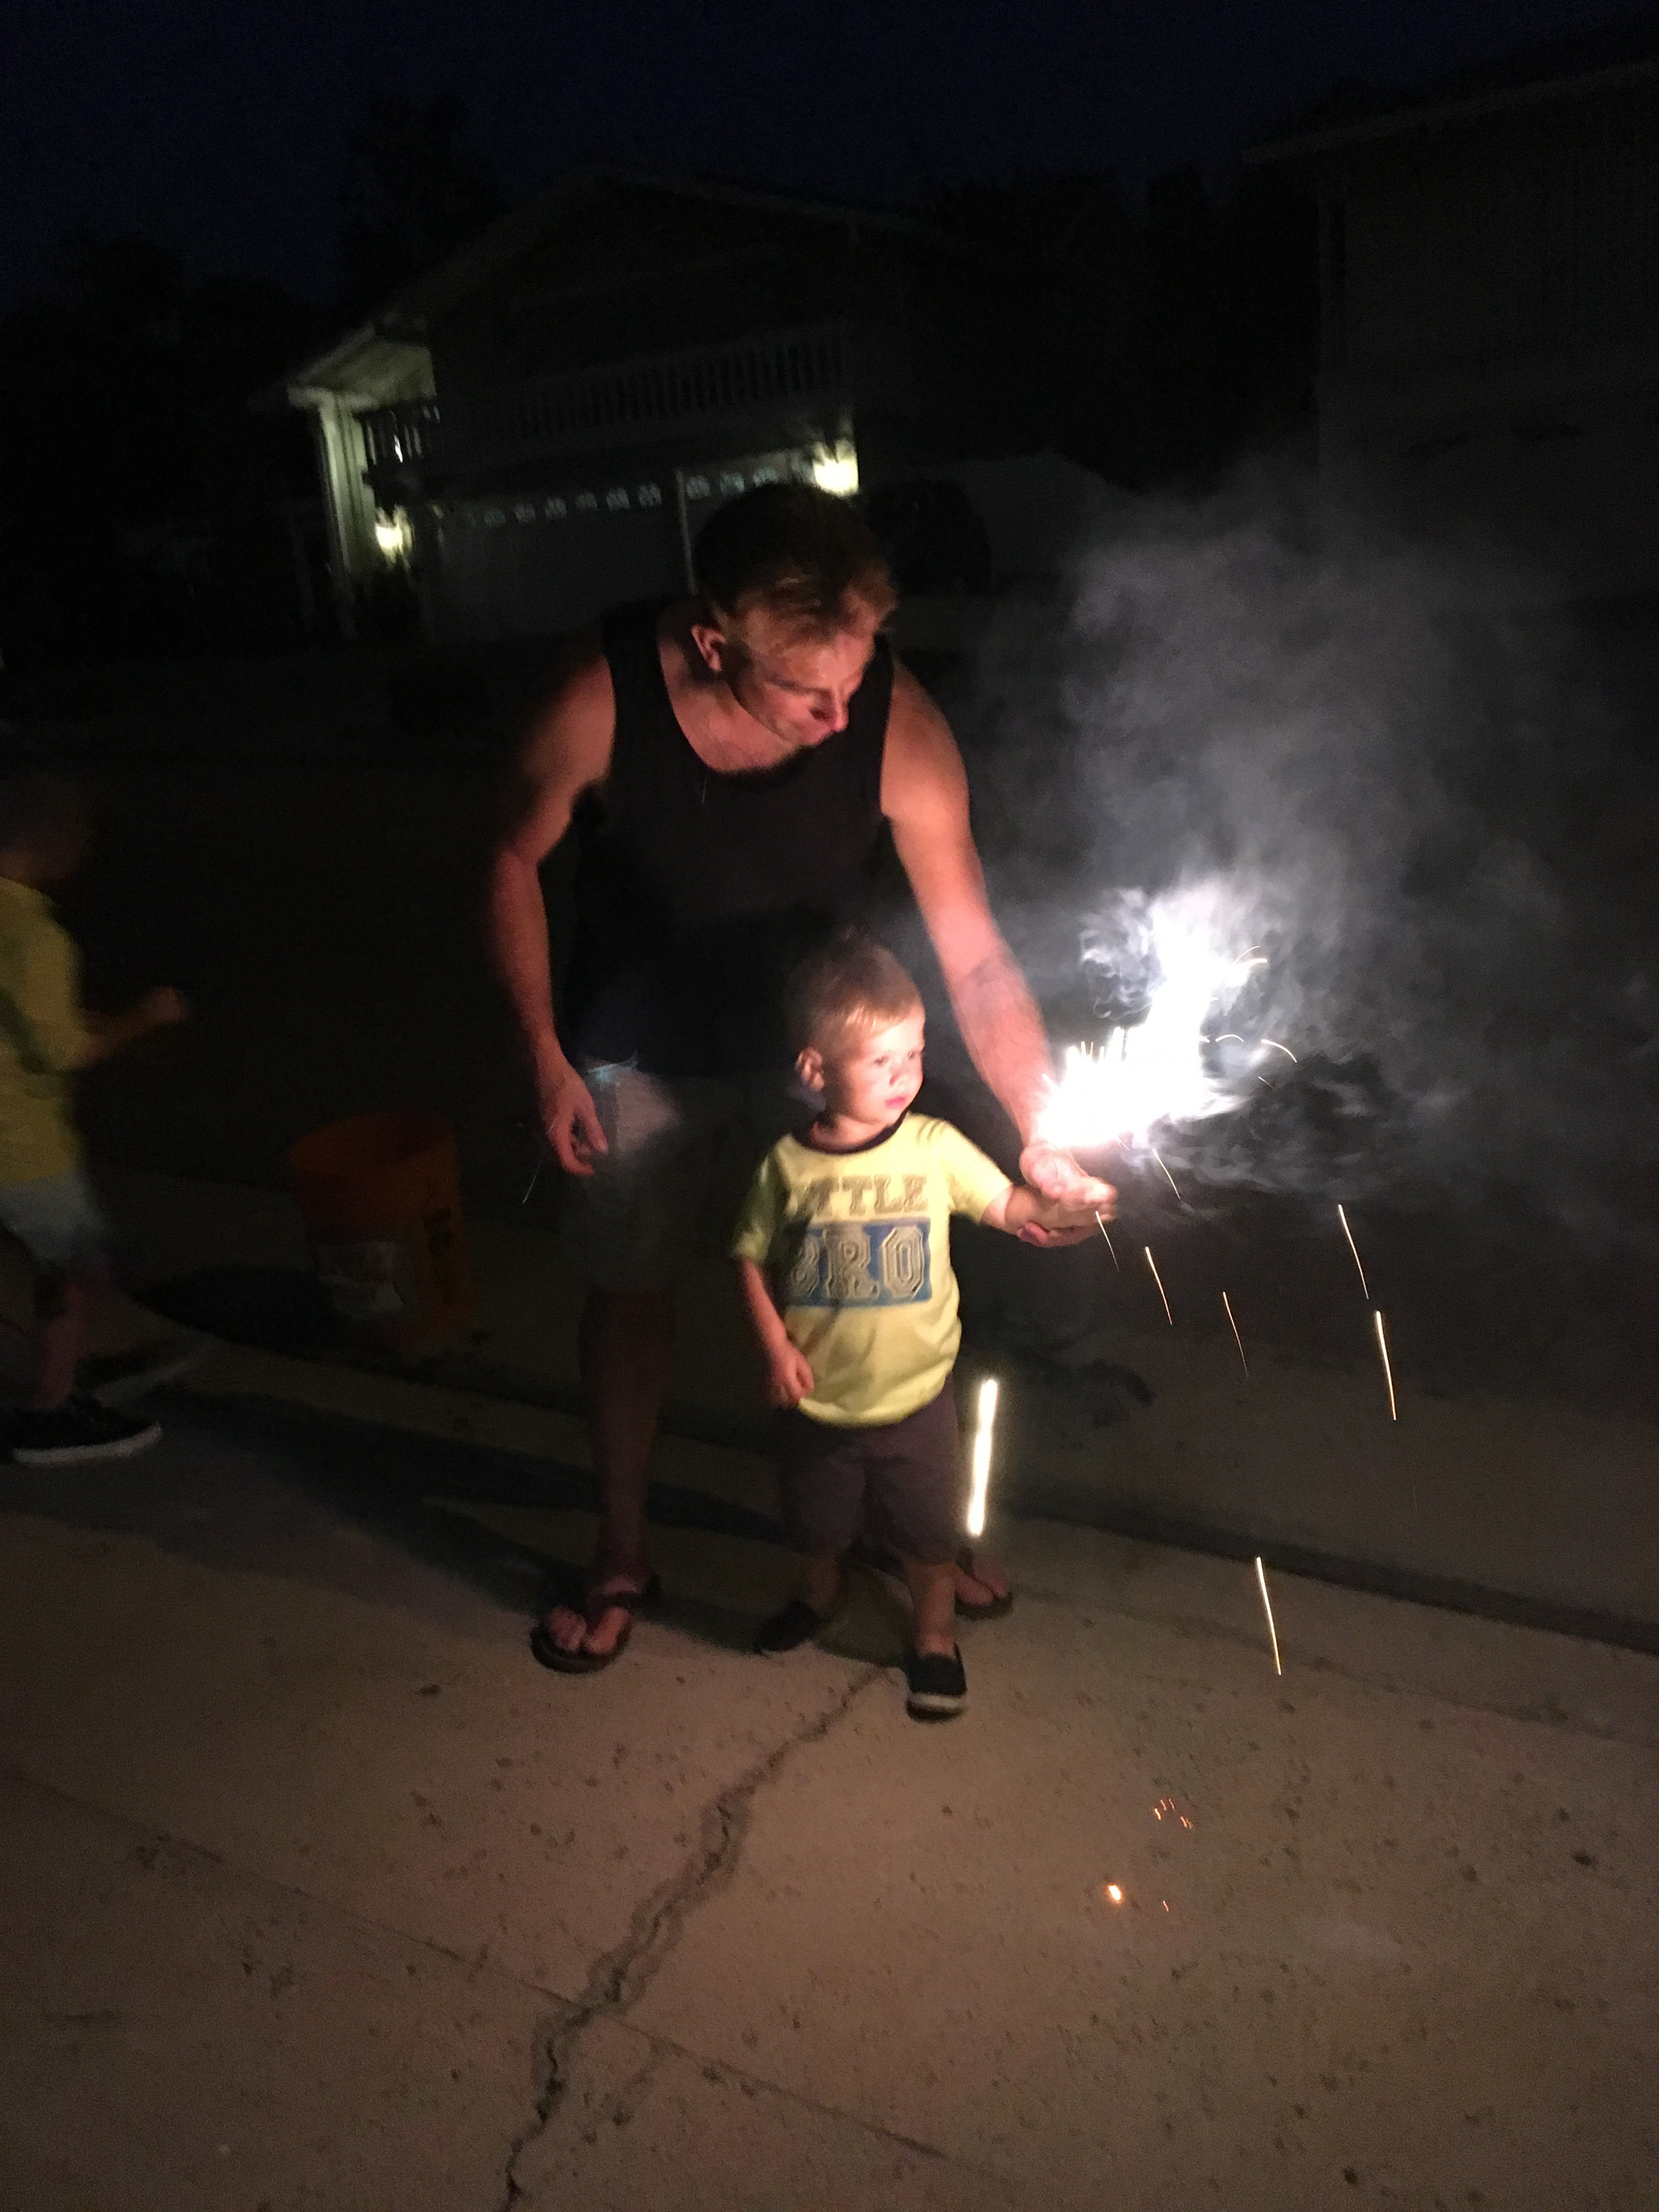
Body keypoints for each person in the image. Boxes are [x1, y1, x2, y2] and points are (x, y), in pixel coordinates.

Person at [488, 482, 1113, 1671]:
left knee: (864, 1294)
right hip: (641, 1051)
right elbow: (511, 860)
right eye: (806, 691)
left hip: (819, 1059)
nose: (840, 716)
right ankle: (622, 1550)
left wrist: (1038, 1124)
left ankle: (889, 1528)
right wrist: (544, 1057)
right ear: (714, 641)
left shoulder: (896, 722)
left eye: (858, 674)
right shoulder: (599, 697)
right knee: (632, 1294)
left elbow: (977, 957)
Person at [733, 934, 1105, 1718]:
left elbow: (1008, 1205)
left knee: (930, 1540)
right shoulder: (786, 1167)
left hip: (918, 1404)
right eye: (883, 1061)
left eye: (916, 1052)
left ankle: (934, 1637)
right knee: (816, 1527)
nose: (907, 1075)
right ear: (815, 1071)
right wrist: (774, 1346)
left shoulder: (934, 1148)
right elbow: (750, 1255)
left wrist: (1061, 1204)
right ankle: (819, 1596)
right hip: (819, 1406)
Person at [0, 757, 189, 1464]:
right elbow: (64, 1050)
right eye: (81, 837)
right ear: (48, 840)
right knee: (80, 1271)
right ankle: (49, 1415)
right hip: (19, 1145)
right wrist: (145, 1017)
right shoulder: (37, 938)